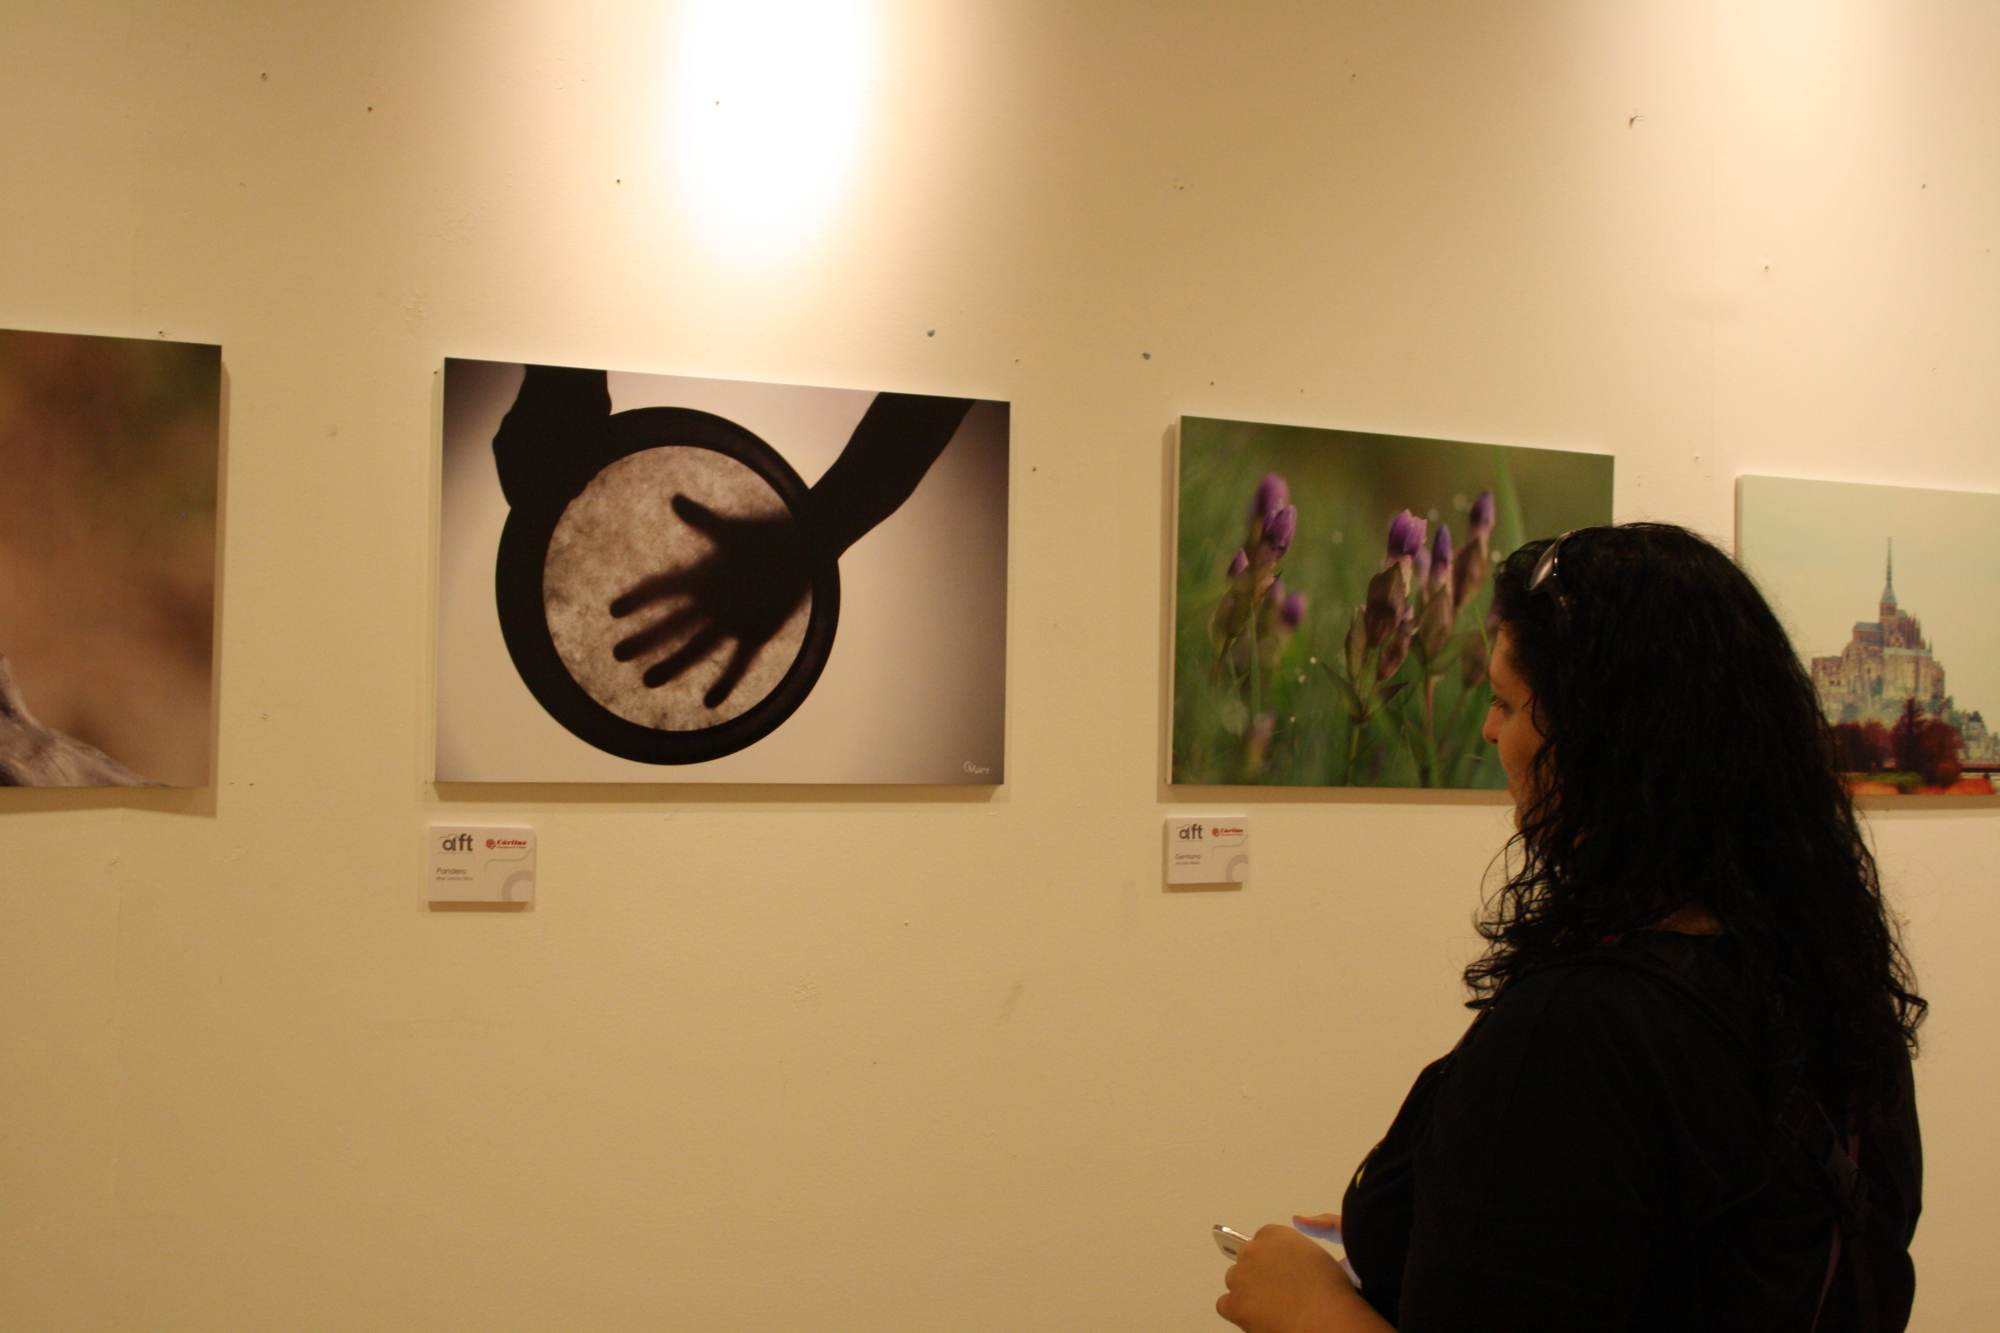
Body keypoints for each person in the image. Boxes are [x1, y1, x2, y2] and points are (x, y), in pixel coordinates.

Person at [1215, 523, 1924, 1333]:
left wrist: (1311, 1309)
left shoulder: (1579, 1030)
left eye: (1509, 702)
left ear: (1601, 744)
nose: (1490, 731)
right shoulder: (1833, 984)